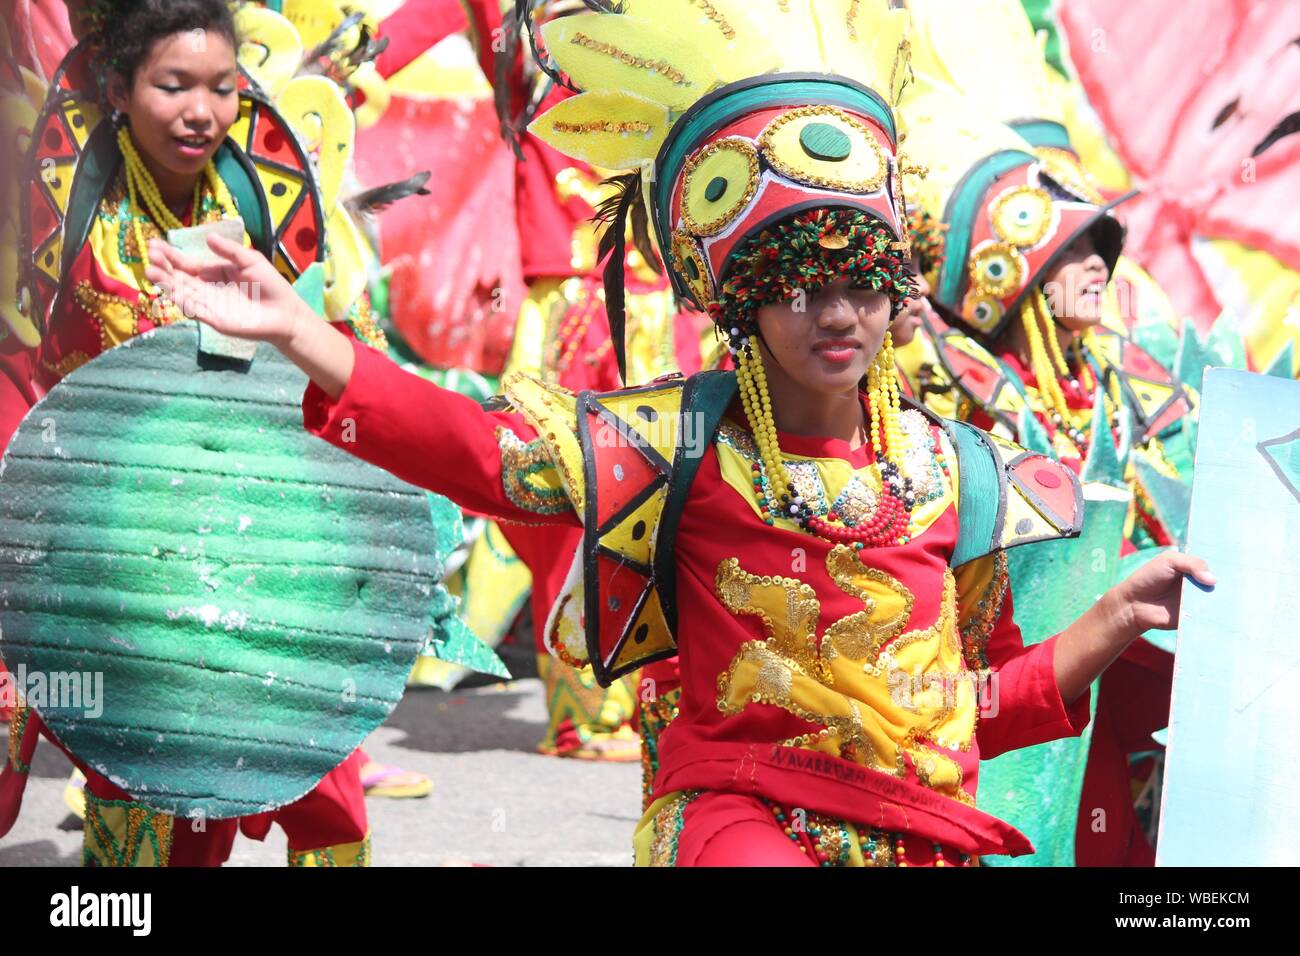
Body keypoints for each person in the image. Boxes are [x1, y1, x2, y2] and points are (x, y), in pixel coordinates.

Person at [150, 0, 1213, 867]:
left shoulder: (962, 476)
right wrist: (295, 327)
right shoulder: (681, 444)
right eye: (797, 287)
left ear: (897, 295)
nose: (834, 314)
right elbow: (480, 454)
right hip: (738, 827)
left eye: (859, 283)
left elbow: (974, 706)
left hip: (921, 841)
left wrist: (1113, 618)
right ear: (744, 302)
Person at [0, 0, 374, 866]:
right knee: (138, 774)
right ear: (120, 89)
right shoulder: (59, 201)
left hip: (256, 530)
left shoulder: (271, 201)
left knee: (322, 766)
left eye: (223, 87)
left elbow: (345, 360)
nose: (201, 110)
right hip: (106, 541)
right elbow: (23, 367)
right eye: (173, 86)